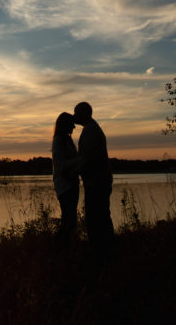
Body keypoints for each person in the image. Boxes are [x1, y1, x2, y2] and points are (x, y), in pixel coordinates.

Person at [73, 101, 114, 251]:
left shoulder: (90, 131)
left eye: (76, 113)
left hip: (96, 182)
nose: (74, 116)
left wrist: (75, 171)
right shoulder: (92, 129)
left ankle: (101, 250)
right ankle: (106, 249)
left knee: (96, 218)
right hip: (99, 181)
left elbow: (89, 158)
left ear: (83, 113)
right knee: (101, 216)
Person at [51, 112, 82, 246]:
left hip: (72, 184)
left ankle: (65, 248)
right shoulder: (59, 140)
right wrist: (80, 160)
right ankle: (58, 247)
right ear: (65, 125)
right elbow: (60, 165)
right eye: (72, 124)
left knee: (71, 220)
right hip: (64, 186)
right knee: (68, 221)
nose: (74, 127)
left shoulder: (67, 140)